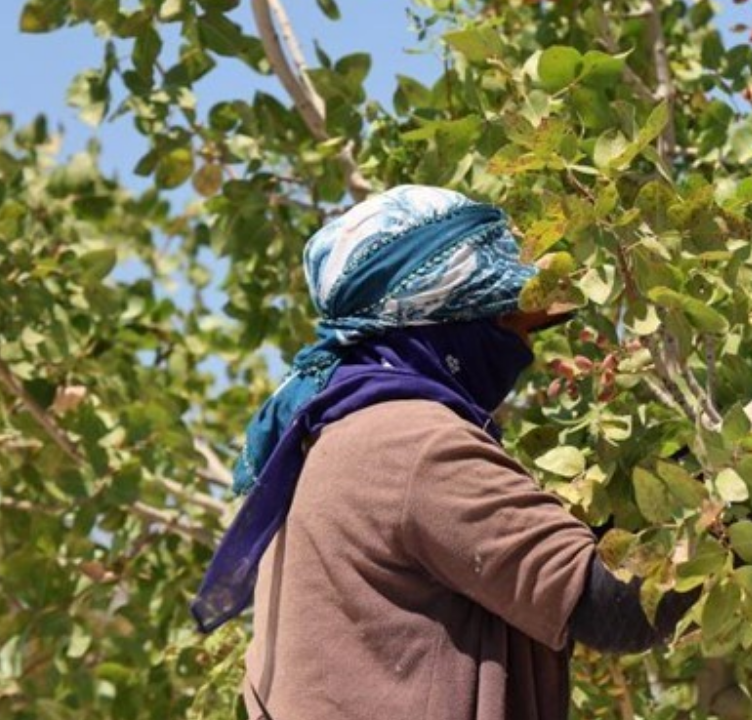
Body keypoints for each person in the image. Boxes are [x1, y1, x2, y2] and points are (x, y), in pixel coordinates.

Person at [191, 186, 702, 720]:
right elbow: (610, 608)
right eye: (506, 320)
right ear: (443, 321)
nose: (525, 350)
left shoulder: (323, 442)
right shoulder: (413, 443)